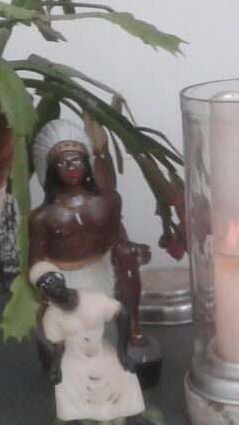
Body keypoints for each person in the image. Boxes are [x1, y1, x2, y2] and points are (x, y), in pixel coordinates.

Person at [28, 116, 151, 347]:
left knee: (126, 253)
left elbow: (116, 236)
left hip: (102, 266)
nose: (71, 167)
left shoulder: (109, 200)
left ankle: (133, 325)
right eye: (62, 163)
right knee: (76, 337)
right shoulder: (43, 217)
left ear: (87, 164)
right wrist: (48, 281)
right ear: (52, 170)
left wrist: (132, 249)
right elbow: (36, 260)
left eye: (76, 160)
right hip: (66, 276)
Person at [35, 273, 155, 425]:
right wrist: (56, 365)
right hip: (74, 355)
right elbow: (58, 344)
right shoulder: (51, 316)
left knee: (124, 371)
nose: (52, 287)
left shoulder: (92, 298)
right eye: (46, 286)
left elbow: (122, 313)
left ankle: (134, 416)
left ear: (62, 279)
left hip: (100, 350)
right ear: (44, 293)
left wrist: (122, 351)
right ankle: (72, 421)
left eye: (54, 281)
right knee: (64, 380)